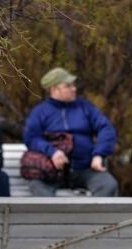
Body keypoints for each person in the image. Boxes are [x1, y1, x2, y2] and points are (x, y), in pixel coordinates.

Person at [23, 67, 119, 196]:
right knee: (37, 186)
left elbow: (106, 128)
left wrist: (98, 155)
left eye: (73, 85)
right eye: (68, 86)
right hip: (52, 171)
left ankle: (93, 217)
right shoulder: (40, 112)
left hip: (85, 168)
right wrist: (52, 152)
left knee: (108, 184)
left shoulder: (85, 107)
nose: (74, 89)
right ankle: (54, 217)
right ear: (54, 89)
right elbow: (31, 137)